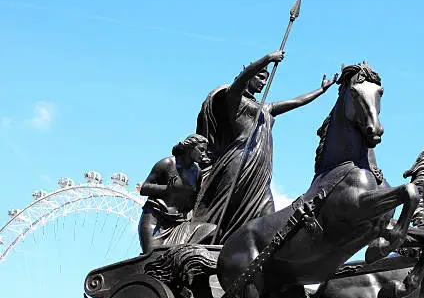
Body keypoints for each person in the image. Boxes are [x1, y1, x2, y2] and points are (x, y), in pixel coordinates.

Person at [194, 50, 337, 243]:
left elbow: (295, 102)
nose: (263, 82)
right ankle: (207, 243)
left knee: (266, 212)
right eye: (260, 77)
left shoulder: (266, 108)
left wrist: (321, 91)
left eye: (265, 79)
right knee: (225, 209)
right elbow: (241, 80)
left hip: (261, 167)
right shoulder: (234, 99)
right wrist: (268, 59)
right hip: (239, 162)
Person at [138, 134, 213, 253]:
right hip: (157, 222)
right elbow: (144, 188)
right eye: (201, 149)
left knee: (210, 229)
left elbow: (195, 200)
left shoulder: (196, 171)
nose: (204, 153)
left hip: (179, 224)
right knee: (153, 259)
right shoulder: (167, 164)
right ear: (190, 147)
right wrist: (168, 189)